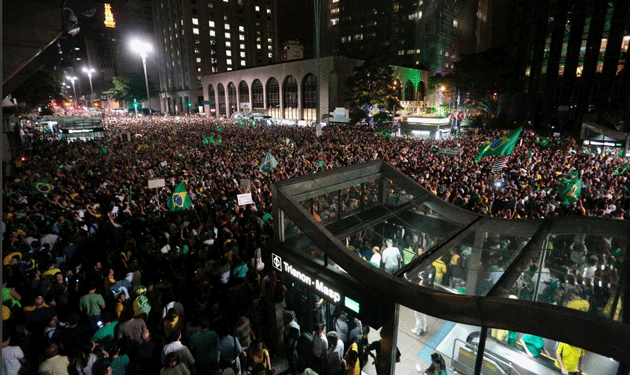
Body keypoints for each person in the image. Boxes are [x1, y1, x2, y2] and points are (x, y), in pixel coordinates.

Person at [283, 310, 301, 375]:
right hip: (293, 345)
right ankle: (292, 368)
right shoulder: (294, 320)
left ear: (288, 319)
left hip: (291, 346)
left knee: (292, 357)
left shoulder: (292, 327)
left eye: (284, 318)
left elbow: (291, 339)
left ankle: (294, 371)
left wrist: (287, 347)